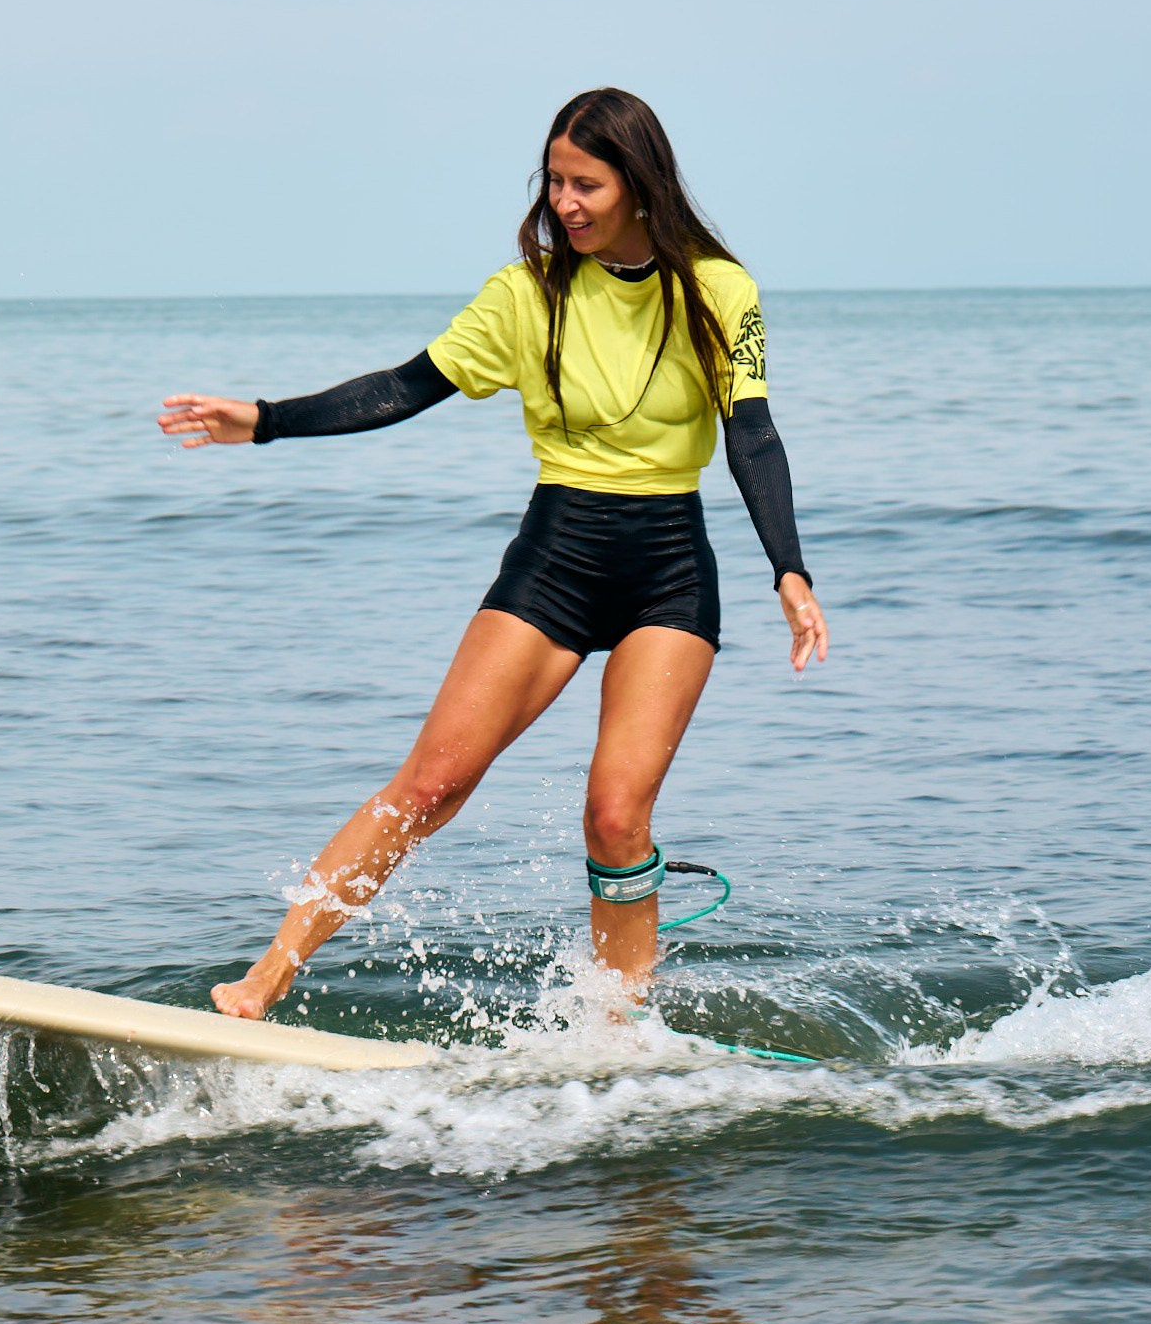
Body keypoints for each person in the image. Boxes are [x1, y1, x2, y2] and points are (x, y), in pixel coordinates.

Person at [159, 87, 829, 1022]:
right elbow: (405, 386)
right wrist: (267, 420)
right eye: (554, 180)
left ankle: (617, 1032)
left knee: (616, 816)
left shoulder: (720, 291)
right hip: (558, 557)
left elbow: (751, 431)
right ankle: (264, 980)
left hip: (670, 568)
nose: (565, 202)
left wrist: (789, 570)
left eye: (587, 184)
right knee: (432, 784)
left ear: (640, 185)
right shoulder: (527, 295)